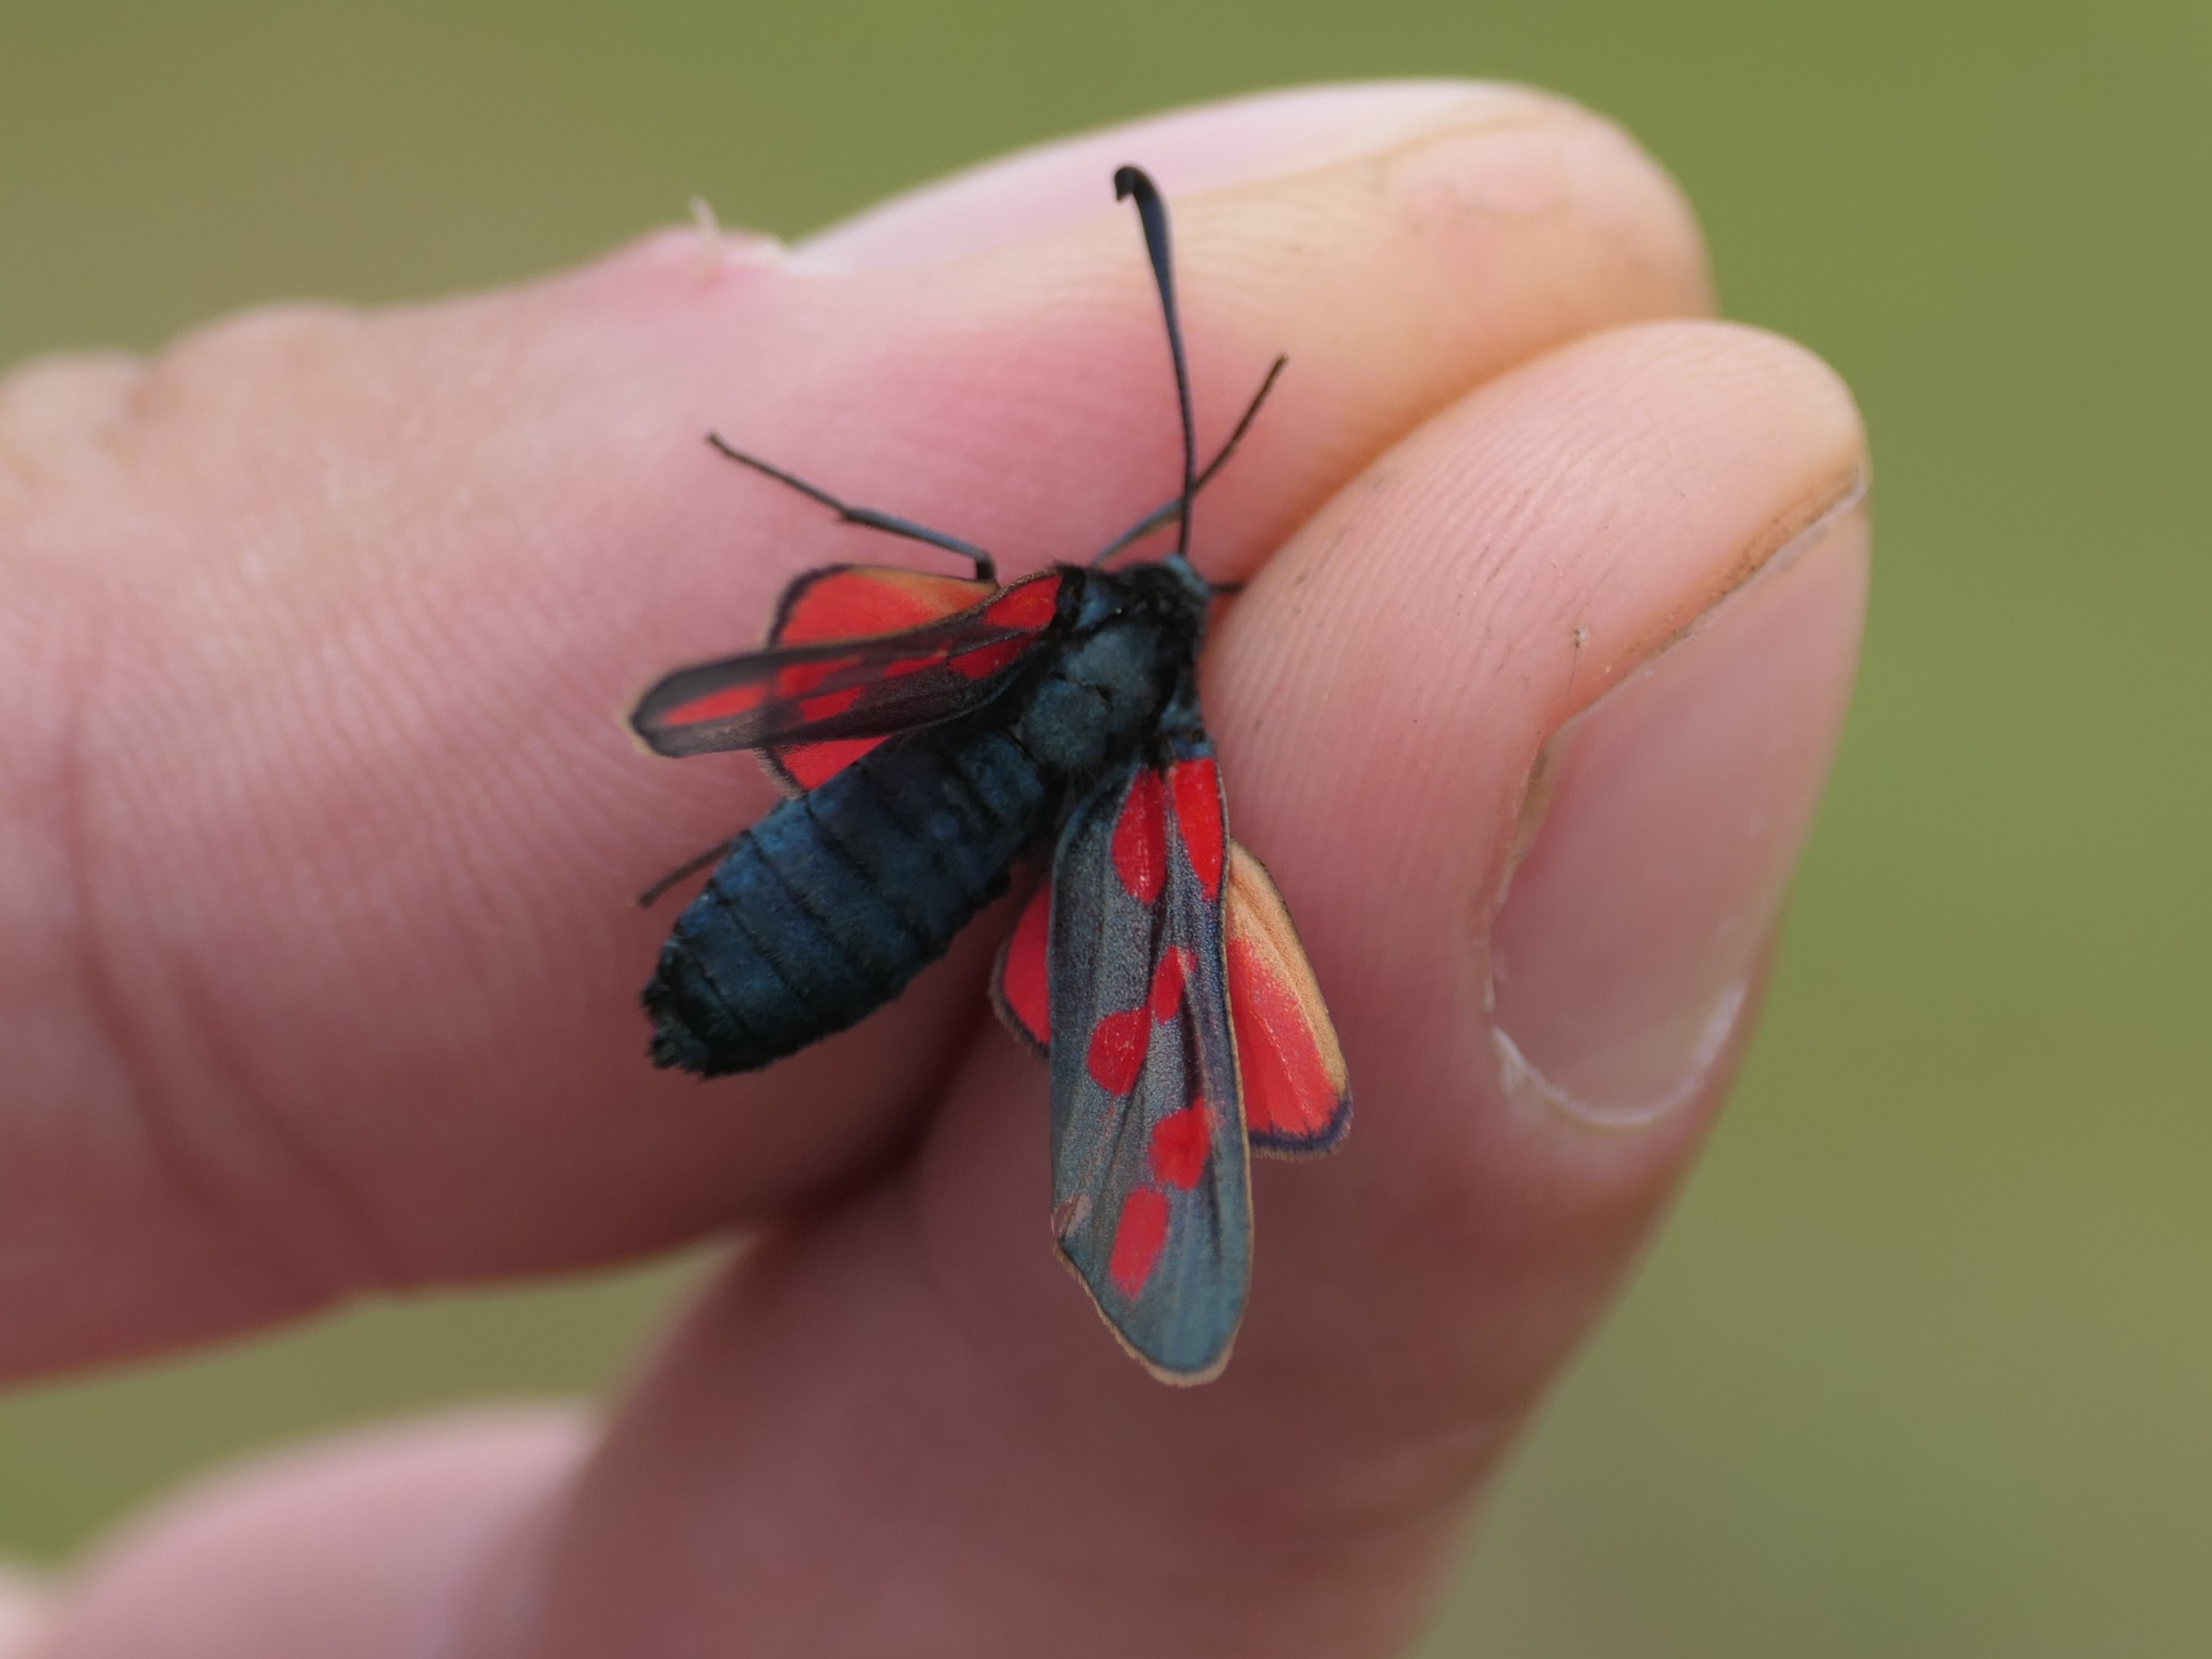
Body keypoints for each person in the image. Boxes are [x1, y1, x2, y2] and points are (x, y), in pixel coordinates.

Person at [0, 81, 1866, 1657]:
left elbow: (775, 676)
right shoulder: (1169, 771)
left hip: (811, 886)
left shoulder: (1043, 626)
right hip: (851, 916)